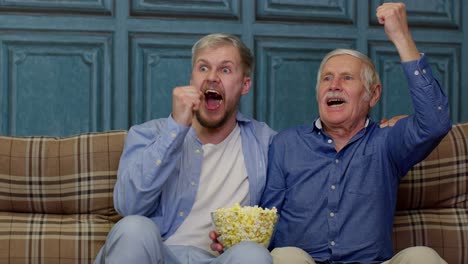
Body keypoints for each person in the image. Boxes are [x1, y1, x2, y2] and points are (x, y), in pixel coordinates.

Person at [260, 3, 451, 264]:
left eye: (347, 78)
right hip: (303, 261)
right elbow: (265, 219)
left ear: (373, 95)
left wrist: (401, 37)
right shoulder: (286, 144)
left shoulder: (387, 142)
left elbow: (436, 123)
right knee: (284, 256)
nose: (334, 86)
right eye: (327, 78)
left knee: (422, 257)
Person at [94, 33, 276, 264]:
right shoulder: (148, 134)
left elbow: (283, 214)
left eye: (225, 70)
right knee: (133, 227)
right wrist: (176, 129)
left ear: (245, 84)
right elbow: (128, 205)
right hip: (158, 255)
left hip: (220, 259)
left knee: (253, 254)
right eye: (203, 68)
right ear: (192, 79)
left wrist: (240, 239)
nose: (212, 77)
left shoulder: (266, 142)